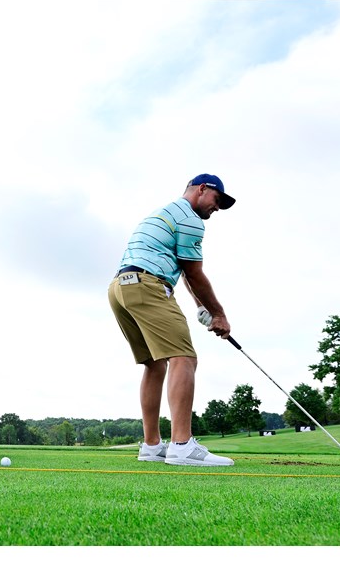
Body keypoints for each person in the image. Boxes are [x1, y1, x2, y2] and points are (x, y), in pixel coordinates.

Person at [107, 174, 235, 466]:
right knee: (184, 358)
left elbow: (185, 272)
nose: (217, 209)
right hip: (148, 285)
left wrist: (201, 307)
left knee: (155, 364)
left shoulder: (166, 212)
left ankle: (152, 446)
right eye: (217, 201)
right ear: (202, 189)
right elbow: (195, 274)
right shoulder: (190, 219)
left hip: (121, 288)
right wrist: (219, 314)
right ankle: (181, 446)